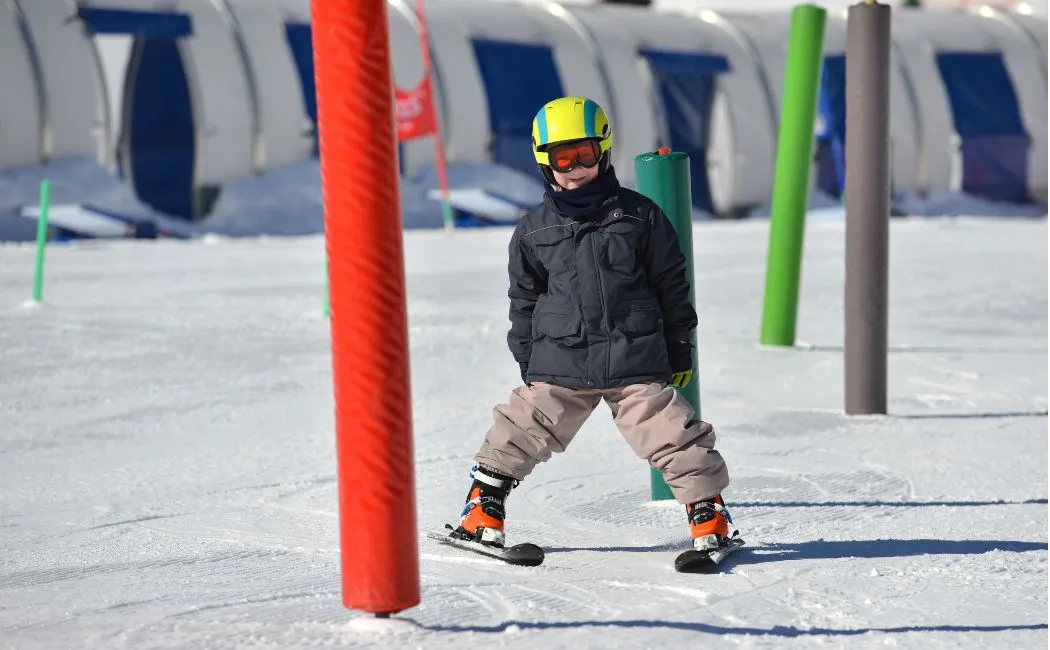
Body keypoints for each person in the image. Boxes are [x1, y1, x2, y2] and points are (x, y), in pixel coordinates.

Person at [449, 96, 738, 553]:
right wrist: (528, 355)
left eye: (584, 154)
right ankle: (483, 507)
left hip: (634, 354)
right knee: (522, 426)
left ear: (602, 151)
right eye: (563, 157)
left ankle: (708, 516)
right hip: (562, 357)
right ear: (544, 161)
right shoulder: (534, 230)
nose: (575, 167)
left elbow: (671, 285)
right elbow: (524, 299)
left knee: (671, 432)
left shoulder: (640, 216)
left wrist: (679, 343)